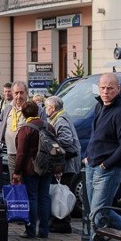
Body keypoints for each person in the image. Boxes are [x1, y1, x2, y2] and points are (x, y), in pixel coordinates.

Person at [71, 73, 121, 241]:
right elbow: (96, 136)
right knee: (98, 212)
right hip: (93, 166)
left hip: (109, 170)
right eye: (103, 88)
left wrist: (106, 164)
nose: (106, 92)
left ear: (118, 89)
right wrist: (88, 156)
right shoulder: (100, 105)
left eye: (110, 88)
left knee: (98, 214)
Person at [12, 100, 54, 239]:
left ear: (23, 114)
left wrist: (17, 172)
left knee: (32, 197)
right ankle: (44, 230)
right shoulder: (49, 126)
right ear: (38, 111)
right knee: (44, 197)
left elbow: (21, 153)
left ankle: (30, 230)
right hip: (47, 166)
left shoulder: (26, 129)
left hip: (31, 168)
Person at [44, 95, 81, 233]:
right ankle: (60, 222)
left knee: (63, 193)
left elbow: (67, 140)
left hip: (67, 164)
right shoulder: (59, 118)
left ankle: (63, 223)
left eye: (47, 107)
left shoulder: (60, 120)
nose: (46, 110)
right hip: (67, 163)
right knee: (62, 191)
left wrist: (52, 142)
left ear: (53, 108)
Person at [0, 80, 28, 178]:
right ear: (12, 94)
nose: (19, 96)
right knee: (14, 181)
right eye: (16, 93)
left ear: (26, 93)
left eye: (21, 93)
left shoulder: (33, 108)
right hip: (11, 152)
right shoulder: (7, 108)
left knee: (26, 183)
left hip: (28, 154)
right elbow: (2, 124)